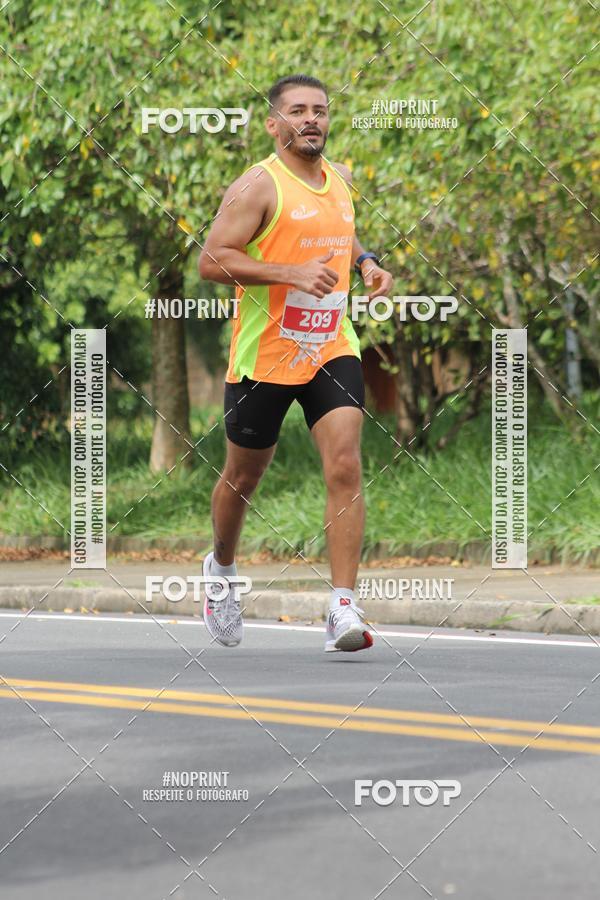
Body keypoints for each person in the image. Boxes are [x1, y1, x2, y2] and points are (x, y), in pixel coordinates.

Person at [198, 73, 393, 652]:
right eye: (298, 111)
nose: (312, 120)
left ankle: (341, 607)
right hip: (267, 351)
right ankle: (223, 570)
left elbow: (342, 233)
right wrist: (287, 273)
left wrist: (367, 264)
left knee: (345, 465)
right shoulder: (257, 185)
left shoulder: (341, 179)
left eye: (321, 111)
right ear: (274, 123)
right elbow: (212, 260)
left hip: (331, 343)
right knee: (244, 474)